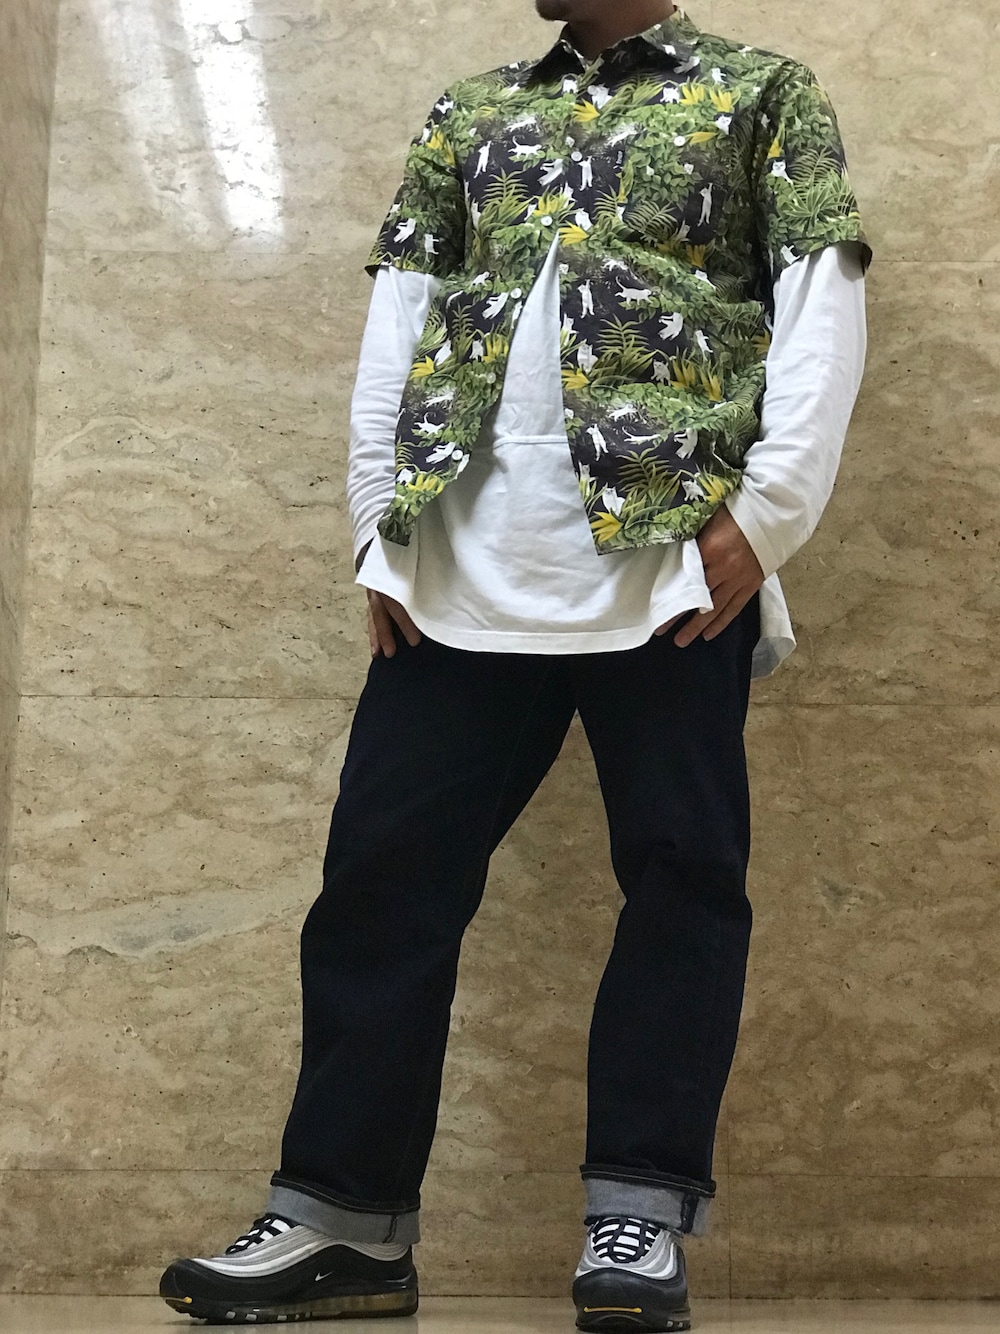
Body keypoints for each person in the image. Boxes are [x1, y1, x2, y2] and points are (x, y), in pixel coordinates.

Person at [160, 0, 869, 1328]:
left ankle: (636, 1216)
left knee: (682, 880)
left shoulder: (764, 94)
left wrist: (765, 520)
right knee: (381, 883)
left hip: (667, 562)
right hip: (456, 569)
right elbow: (403, 310)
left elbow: (820, 303)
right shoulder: (472, 109)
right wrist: (376, 527)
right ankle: (346, 1223)